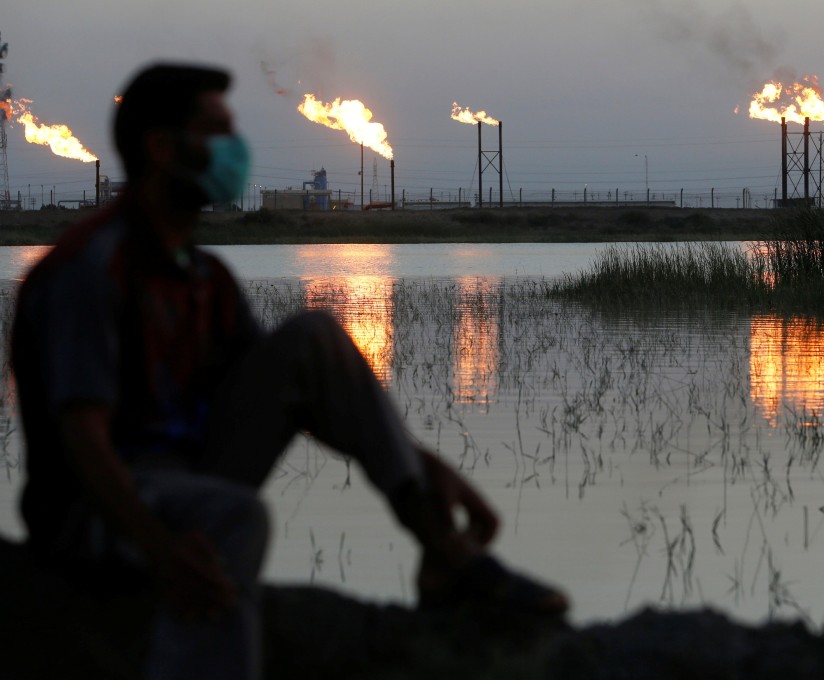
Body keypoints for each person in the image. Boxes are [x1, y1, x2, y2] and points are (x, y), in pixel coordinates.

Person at [11, 62, 567, 680]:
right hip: (97, 511)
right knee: (234, 515)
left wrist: (423, 464)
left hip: (190, 476)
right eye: (216, 132)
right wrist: (161, 548)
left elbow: (297, 389)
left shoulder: (205, 277)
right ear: (162, 149)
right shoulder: (90, 271)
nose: (235, 149)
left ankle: (443, 548)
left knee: (314, 338)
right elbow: (81, 442)